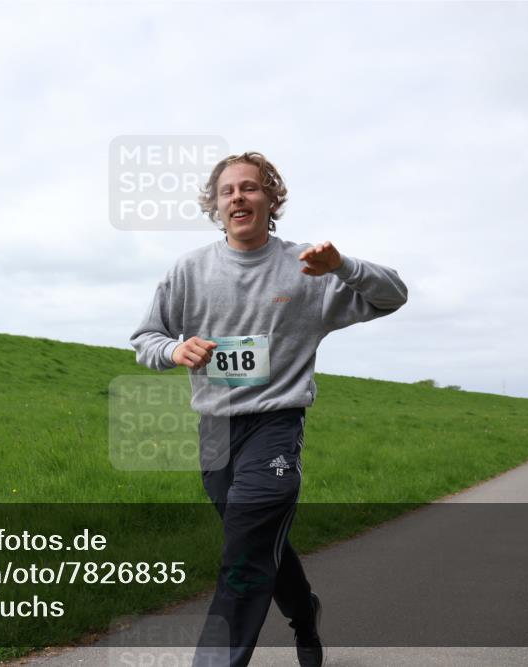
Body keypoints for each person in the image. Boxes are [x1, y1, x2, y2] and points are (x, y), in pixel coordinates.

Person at [130, 151, 408, 666]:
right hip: (215, 429)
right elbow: (146, 338)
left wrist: (343, 266)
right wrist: (174, 349)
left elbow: (394, 295)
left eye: (250, 188)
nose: (238, 197)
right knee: (253, 543)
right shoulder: (189, 271)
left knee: (243, 553)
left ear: (270, 198)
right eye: (227, 191)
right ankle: (305, 614)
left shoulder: (308, 266)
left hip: (277, 425)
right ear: (215, 206)